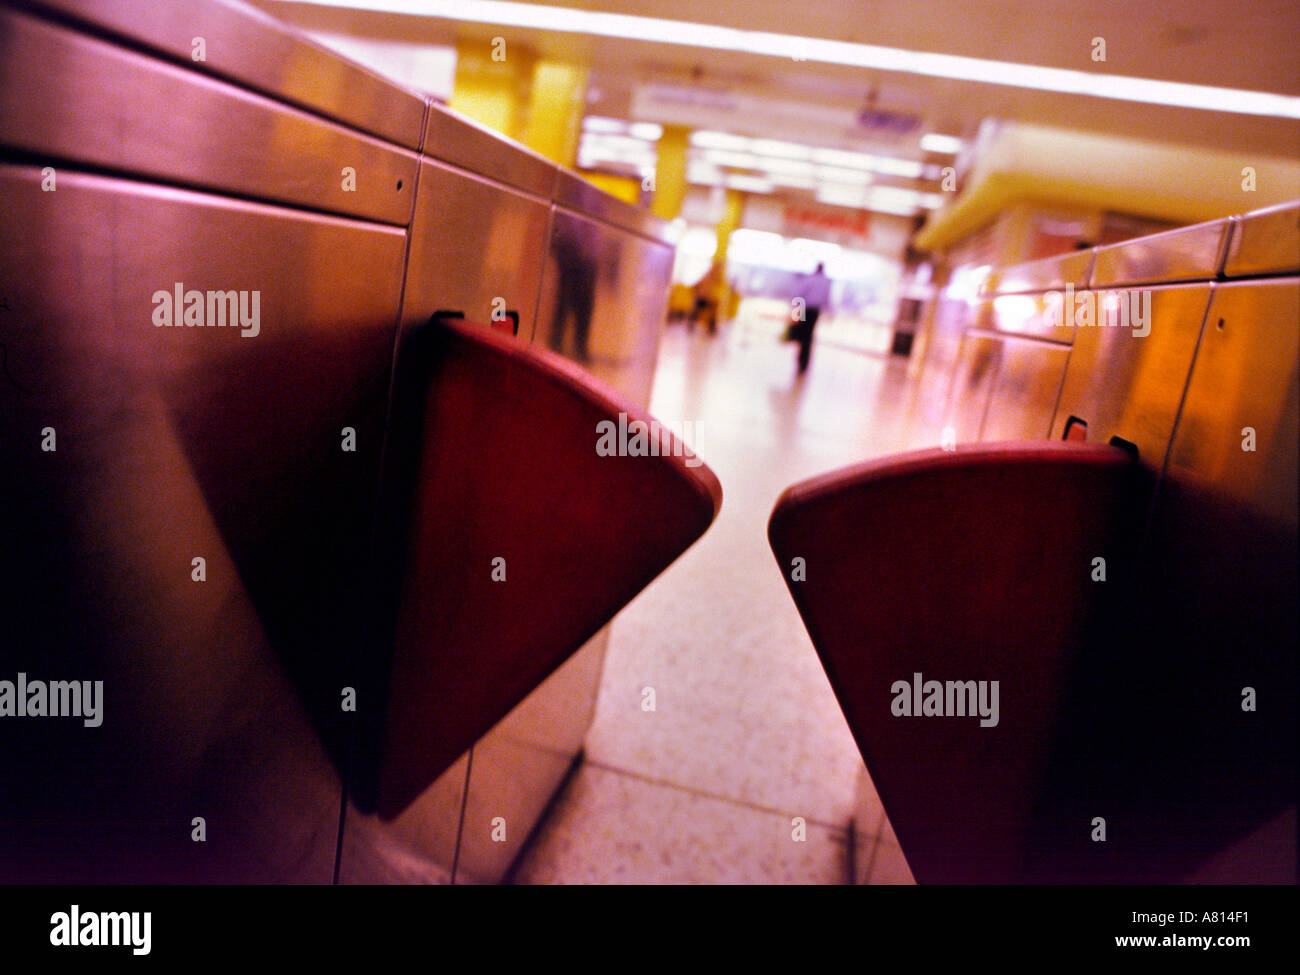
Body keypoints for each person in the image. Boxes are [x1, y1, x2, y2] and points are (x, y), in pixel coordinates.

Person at [793, 262, 831, 373]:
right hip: (815, 312)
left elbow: (799, 296)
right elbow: (826, 299)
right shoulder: (826, 282)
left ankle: (801, 361)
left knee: (803, 335)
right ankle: (804, 363)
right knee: (808, 335)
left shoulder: (810, 279)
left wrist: (796, 313)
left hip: (806, 310)